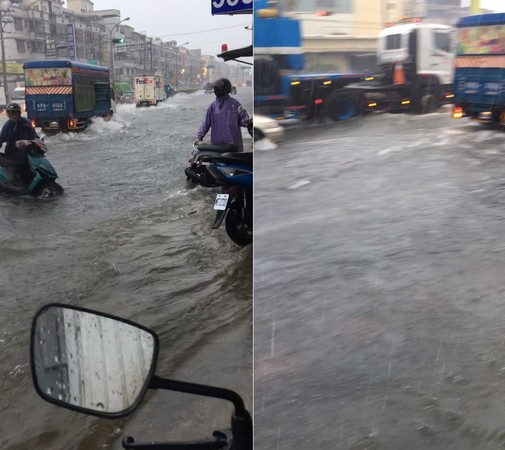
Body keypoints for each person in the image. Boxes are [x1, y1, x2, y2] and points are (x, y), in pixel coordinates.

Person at [195, 78, 251, 152]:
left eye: (217, 88)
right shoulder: (212, 107)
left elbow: (244, 119)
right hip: (217, 147)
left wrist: (249, 123)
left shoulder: (235, 105)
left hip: (233, 147)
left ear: (224, 89)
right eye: (214, 89)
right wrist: (199, 137)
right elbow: (205, 123)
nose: (215, 91)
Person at [0, 102, 39, 185]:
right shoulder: (8, 126)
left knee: (34, 172)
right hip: (12, 157)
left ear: (19, 113)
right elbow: (1, 139)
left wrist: (37, 143)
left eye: (15, 113)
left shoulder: (26, 123)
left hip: (28, 155)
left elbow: (34, 136)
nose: (13, 116)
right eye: (11, 114)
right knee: (12, 179)